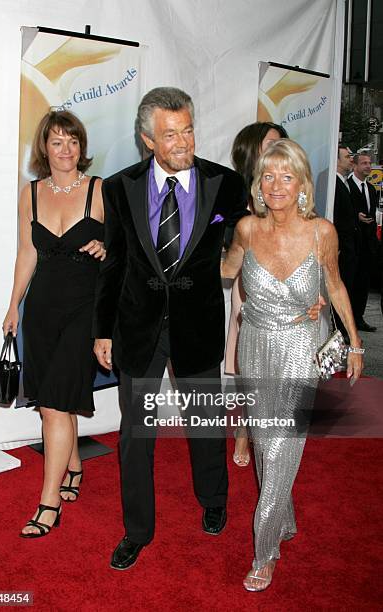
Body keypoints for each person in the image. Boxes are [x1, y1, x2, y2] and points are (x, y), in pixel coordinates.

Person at [93, 87, 248, 570]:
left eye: (188, 130)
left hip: (197, 323)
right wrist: (102, 331)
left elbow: (243, 240)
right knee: (137, 434)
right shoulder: (120, 187)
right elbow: (114, 264)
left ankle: (214, 499)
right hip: (137, 327)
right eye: (170, 134)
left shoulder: (225, 184)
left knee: (204, 423)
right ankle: (137, 530)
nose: (183, 142)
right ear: (147, 139)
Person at [222, 139, 364, 591]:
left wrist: (355, 344)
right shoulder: (245, 229)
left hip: (301, 347)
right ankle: (283, 517)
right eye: (268, 176)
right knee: (266, 444)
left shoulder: (323, 232)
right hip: (255, 344)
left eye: (287, 176)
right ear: (258, 185)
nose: (277, 185)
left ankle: (265, 553)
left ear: (303, 184)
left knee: (281, 445)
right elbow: (226, 271)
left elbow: (337, 287)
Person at [3, 110, 105, 538]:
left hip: (85, 307)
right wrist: (13, 306)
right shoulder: (30, 192)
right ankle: (74, 464)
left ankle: (48, 505)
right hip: (41, 309)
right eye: (57, 142)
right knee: (52, 399)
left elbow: (130, 252)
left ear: (82, 147)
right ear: (44, 148)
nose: (66, 150)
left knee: (55, 405)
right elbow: (27, 252)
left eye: (73, 141)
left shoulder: (101, 190)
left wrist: (108, 246)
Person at [226, 122, 288, 467]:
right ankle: (245, 431)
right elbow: (222, 233)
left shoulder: (290, 185)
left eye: (281, 142)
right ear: (252, 149)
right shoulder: (236, 191)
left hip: (286, 284)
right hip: (250, 285)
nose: (277, 147)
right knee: (249, 361)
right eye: (270, 143)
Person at [348, 152, 379, 331]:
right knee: (350, 283)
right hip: (352, 244)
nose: (368, 166)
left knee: (363, 284)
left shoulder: (371, 189)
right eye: (365, 163)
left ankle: (359, 318)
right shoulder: (347, 186)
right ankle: (348, 320)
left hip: (367, 245)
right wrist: (355, 217)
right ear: (355, 165)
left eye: (369, 163)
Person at [333, 145, 361, 341]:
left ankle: (343, 330)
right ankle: (339, 332)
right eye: (347, 156)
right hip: (341, 248)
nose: (351, 160)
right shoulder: (334, 184)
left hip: (350, 247)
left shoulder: (345, 183)